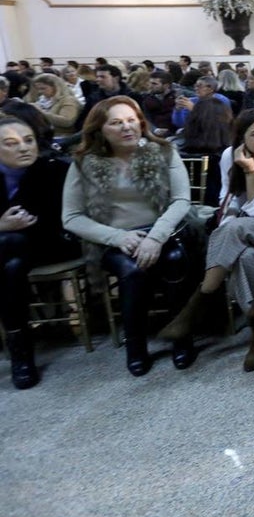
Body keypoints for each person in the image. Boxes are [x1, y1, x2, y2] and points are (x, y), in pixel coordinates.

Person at [159, 109, 254, 371]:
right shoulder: (228, 155)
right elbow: (228, 200)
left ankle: (200, 301)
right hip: (243, 228)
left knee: (234, 231)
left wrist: (249, 172)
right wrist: (228, 228)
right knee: (243, 255)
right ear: (242, 138)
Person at [62, 97, 196, 376]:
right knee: (132, 269)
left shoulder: (163, 151)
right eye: (116, 122)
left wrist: (156, 237)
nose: (127, 127)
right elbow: (71, 217)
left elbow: (182, 200)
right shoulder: (84, 162)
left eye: (131, 120)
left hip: (164, 230)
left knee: (173, 258)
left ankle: (181, 335)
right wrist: (118, 238)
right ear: (100, 129)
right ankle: (136, 344)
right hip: (113, 239)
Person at [0, 117, 78, 388]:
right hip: (14, 256)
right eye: (11, 144)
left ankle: (18, 346)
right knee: (11, 259)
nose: (23, 148)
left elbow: (64, 219)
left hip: (54, 243)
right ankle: (21, 349)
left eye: (28, 140)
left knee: (12, 245)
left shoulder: (54, 169)